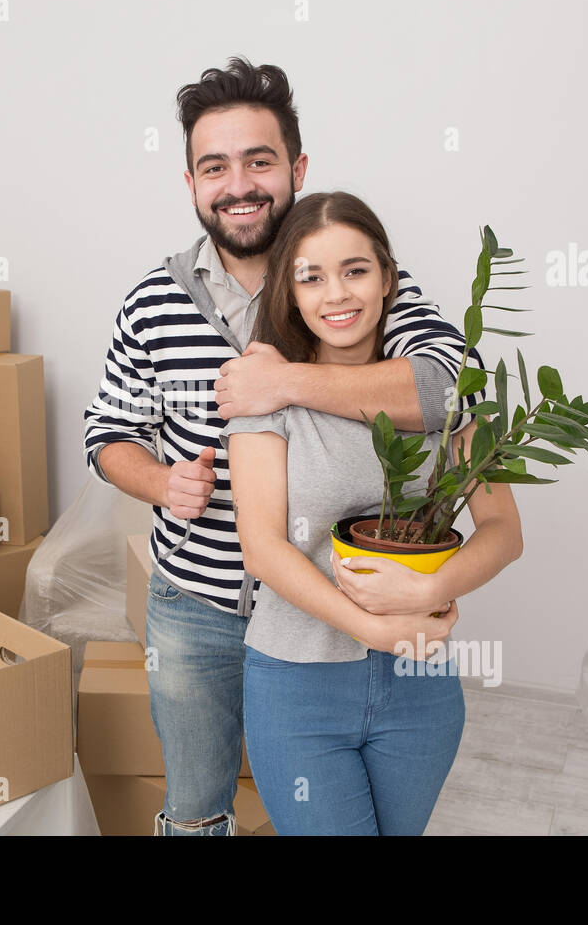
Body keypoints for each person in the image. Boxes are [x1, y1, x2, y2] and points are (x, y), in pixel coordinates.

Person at [81, 58, 485, 835]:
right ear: (192, 183)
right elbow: (107, 432)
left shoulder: (356, 283)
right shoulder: (152, 301)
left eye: (259, 161)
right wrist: (163, 485)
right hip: (197, 607)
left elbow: (444, 392)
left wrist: (287, 383)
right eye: (215, 166)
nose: (239, 184)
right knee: (198, 806)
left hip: (332, 610)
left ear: (296, 168)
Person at [221, 190, 524, 834]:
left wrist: (435, 586)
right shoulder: (263, 396)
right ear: (291, 294)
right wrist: (371, 626)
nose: (337, 294)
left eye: (355, 270)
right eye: (312, 276)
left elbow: (503, 531)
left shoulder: (440, 401)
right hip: (296, 685)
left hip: (421, 683)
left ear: (388, 278)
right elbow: (262, 547)